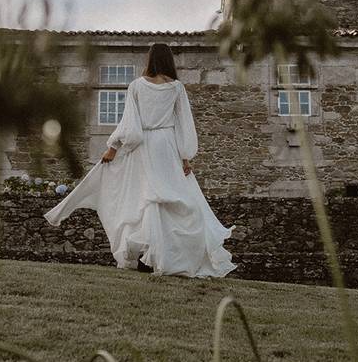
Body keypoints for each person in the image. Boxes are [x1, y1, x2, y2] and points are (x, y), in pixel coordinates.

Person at [43, 43, 236, 278]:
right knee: (169, 198)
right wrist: (185, 156)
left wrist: (113, 147)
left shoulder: (136, 86)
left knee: (145, 198)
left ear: (150, 60)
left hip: (144, 146)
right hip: (166, 146)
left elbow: (130, 124)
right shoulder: (177, 88)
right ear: (169, 61)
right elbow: (184, 124)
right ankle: (162, 256)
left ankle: (150, 257)